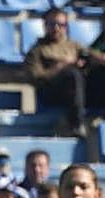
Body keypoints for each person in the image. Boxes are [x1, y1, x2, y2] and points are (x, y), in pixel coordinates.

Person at [25, 8, 91, 137]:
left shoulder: (74, 46)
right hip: (51, 92)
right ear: (45, 26)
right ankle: (76, 124)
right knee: (72, 74)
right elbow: (35, 78)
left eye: (61, 25)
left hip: (77, 91)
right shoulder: (37, 50)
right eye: (52, 24)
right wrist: (60, 66)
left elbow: (90, 55)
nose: (56, 28)